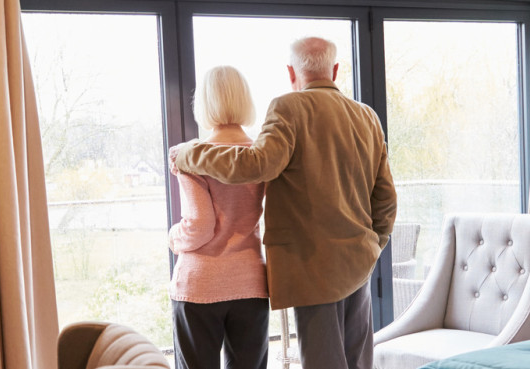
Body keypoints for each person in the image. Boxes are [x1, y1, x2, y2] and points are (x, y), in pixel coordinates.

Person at [171, 37, 397, 369]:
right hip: (359, 264)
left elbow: (256, 165)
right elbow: (386, 199)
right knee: (358, 363)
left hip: (313, 270)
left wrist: (190, 153)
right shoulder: (367, 117)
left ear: (292, 72)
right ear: (335, 70)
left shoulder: (289, 107)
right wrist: (375, 246)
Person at [168, 65, 269, 369]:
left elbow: (199, 226)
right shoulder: (262, 154)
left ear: (205, 103)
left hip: (200, 285)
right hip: (250, 282)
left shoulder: (190, 155)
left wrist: (173, 238)